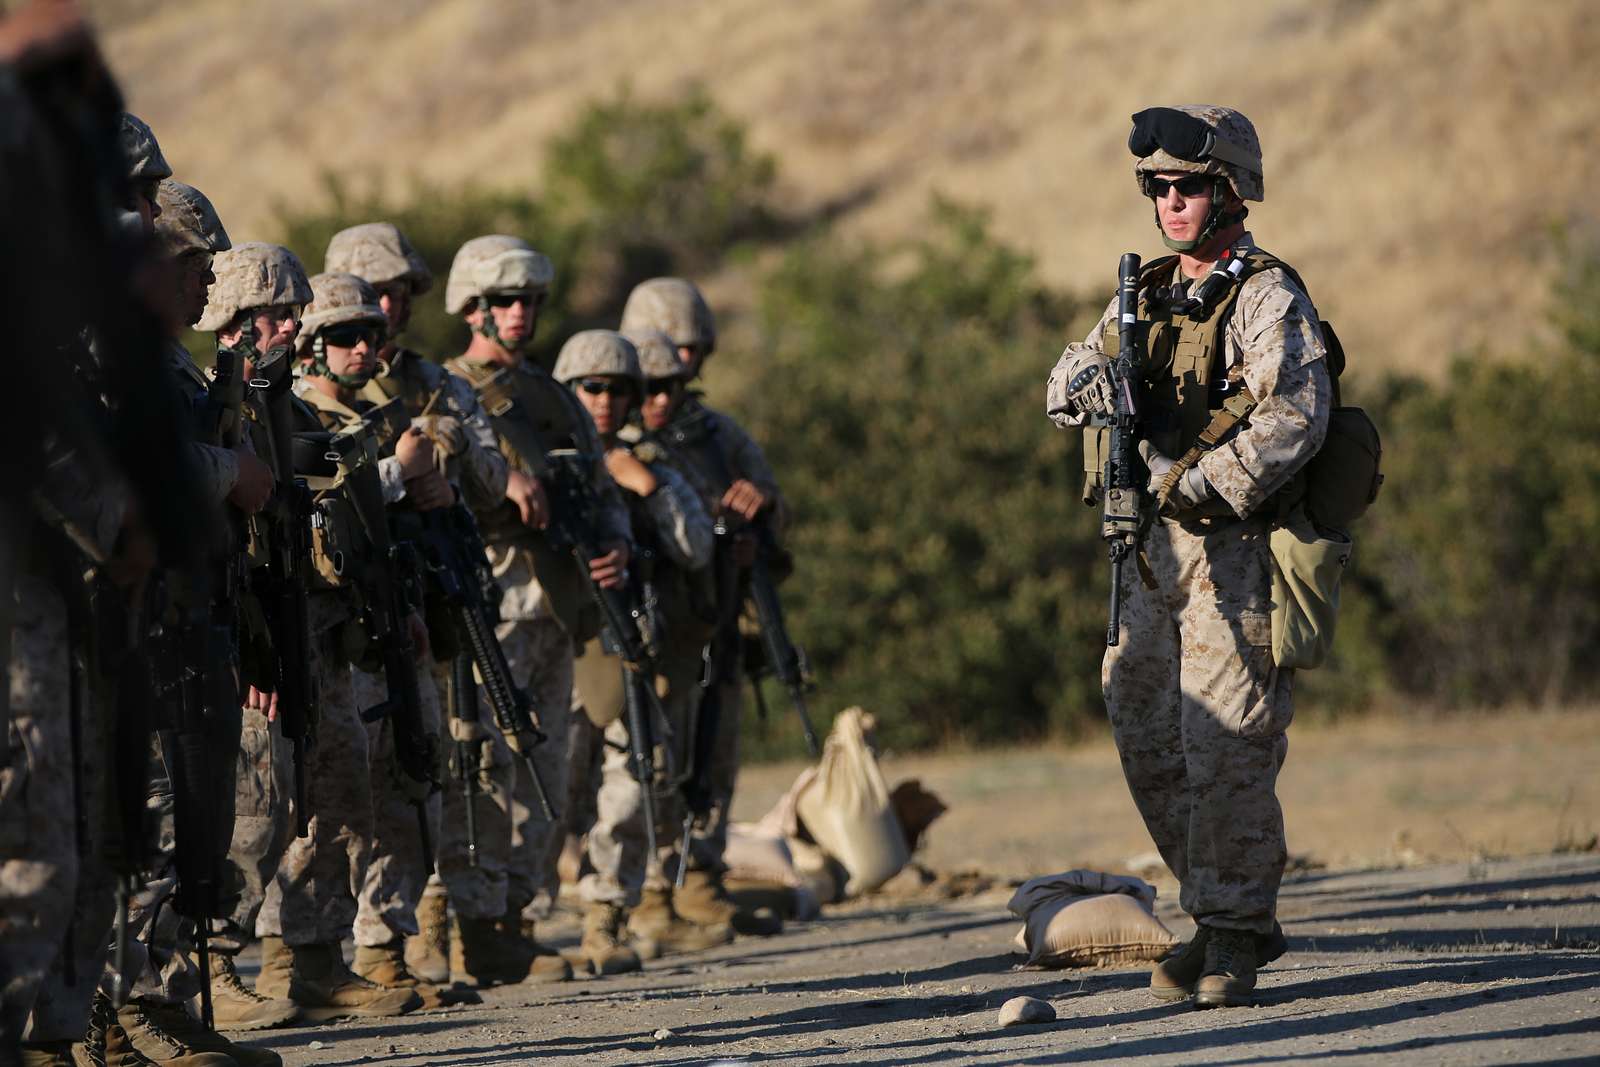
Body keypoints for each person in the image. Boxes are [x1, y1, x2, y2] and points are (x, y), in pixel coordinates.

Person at [1045, 105, 1331, 1008]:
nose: (1170, 201)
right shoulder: (1143, 292)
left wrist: (1195, 481)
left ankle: (1237, 930)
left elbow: (1297, 417)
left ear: (1231, 190)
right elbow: (1065, 383)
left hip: (1232, 557)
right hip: (1145, 562)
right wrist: (1078, 383)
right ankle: (1215, 912)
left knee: (1228, 747)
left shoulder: (1265, 294)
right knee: (1147, 739)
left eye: (1188, 185)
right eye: (1157, 187)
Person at [323, 222, 501, 1005]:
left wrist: (448, 460)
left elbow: (492, 479)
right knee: (344, 795)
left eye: (396, 297)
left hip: (424, 600)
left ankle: (395, 942)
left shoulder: (431, 384)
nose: (387, 312)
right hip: (346, 624)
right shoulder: (312, 403)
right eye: (367, 305)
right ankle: (336, 950)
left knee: (420, 777)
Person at [444, 236, 631, 985]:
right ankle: (463, 921)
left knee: (545, 765)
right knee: (483, 764)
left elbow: (601, 484)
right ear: (474, 308)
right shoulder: (446, 390)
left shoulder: (553, 398)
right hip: (491, 607)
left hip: (558, 605)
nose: (521, 314)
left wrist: (618, 546)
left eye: (530, 302)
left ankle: (514, 915)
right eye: (505, 302)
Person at [251, 272, 426, 1023]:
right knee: (281, 806)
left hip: (330, 627)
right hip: (277, 631)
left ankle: (319, 960)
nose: (364, 346)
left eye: (370, 335)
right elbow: (323, 500)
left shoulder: (299, 405)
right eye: (343, 334)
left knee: (341, 793)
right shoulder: (261, 406)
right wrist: (397, 473)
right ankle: (277, 961)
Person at [552, 329, 724, 969]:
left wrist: (643, 486)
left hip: (624, 646)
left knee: (631, 786)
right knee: (546, 791)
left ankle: (607, 919)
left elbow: (697, 546)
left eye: (619, 390)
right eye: (591, 388)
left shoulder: (646, 461)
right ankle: (488, 924)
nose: (604, 401)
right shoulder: (539, 460)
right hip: (548, 649)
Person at [621, 278, 785, 938]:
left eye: (691, 352)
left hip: (720, 614)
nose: (679, 366)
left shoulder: (721, 434)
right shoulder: (611, 434)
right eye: (665, 352)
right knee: (656, 754)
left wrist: (759, 512)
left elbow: (773, 501)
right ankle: (651, 885)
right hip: (653, 618)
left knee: (716, 748)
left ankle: (702, 874)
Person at [193, 241, 312, 1034]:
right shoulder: (216, 406)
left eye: (292, 311)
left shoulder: (283, 409)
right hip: (226, 629)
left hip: (272, 623)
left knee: (278, 805)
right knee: (250, 809)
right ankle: (210, 964)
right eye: (272, 313)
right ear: (232, 324)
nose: (291, 325)